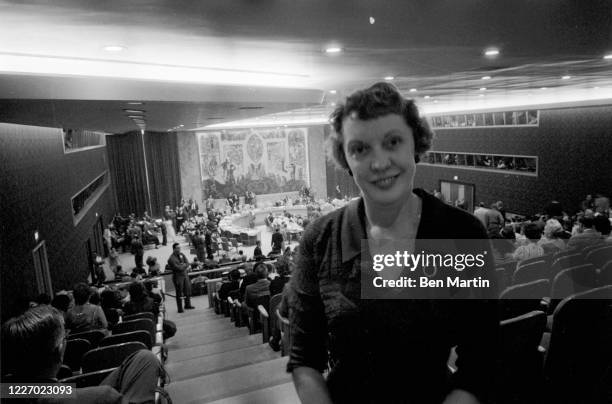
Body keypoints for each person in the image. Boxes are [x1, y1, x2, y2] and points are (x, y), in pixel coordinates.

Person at [287, 82, 497, 403]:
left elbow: (481, 358)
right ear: (345, 159)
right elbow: (305, 358)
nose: (379, 162)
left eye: (393, 142)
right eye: (360, 149)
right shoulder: (319, 239)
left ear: (416, 143)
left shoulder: (462, 233)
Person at [2, 305, 163, 403]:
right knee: (147, 358)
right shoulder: (102, 398)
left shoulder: (8, 392)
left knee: (140, 358)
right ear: (60, 350)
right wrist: (100, 395)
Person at [167, 243, 195, 313]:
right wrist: (184, 265)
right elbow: (178, 268)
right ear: (174, 249)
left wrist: (183, 265)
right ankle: (180, 308)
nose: (179, 249)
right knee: (179, 292)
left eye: (179, 248)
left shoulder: (182, 254)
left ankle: (187, 305)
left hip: (185, 275)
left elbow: (188, 262)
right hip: (178, 277)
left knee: (187, 290)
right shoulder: (171, 259)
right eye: (177, 248)